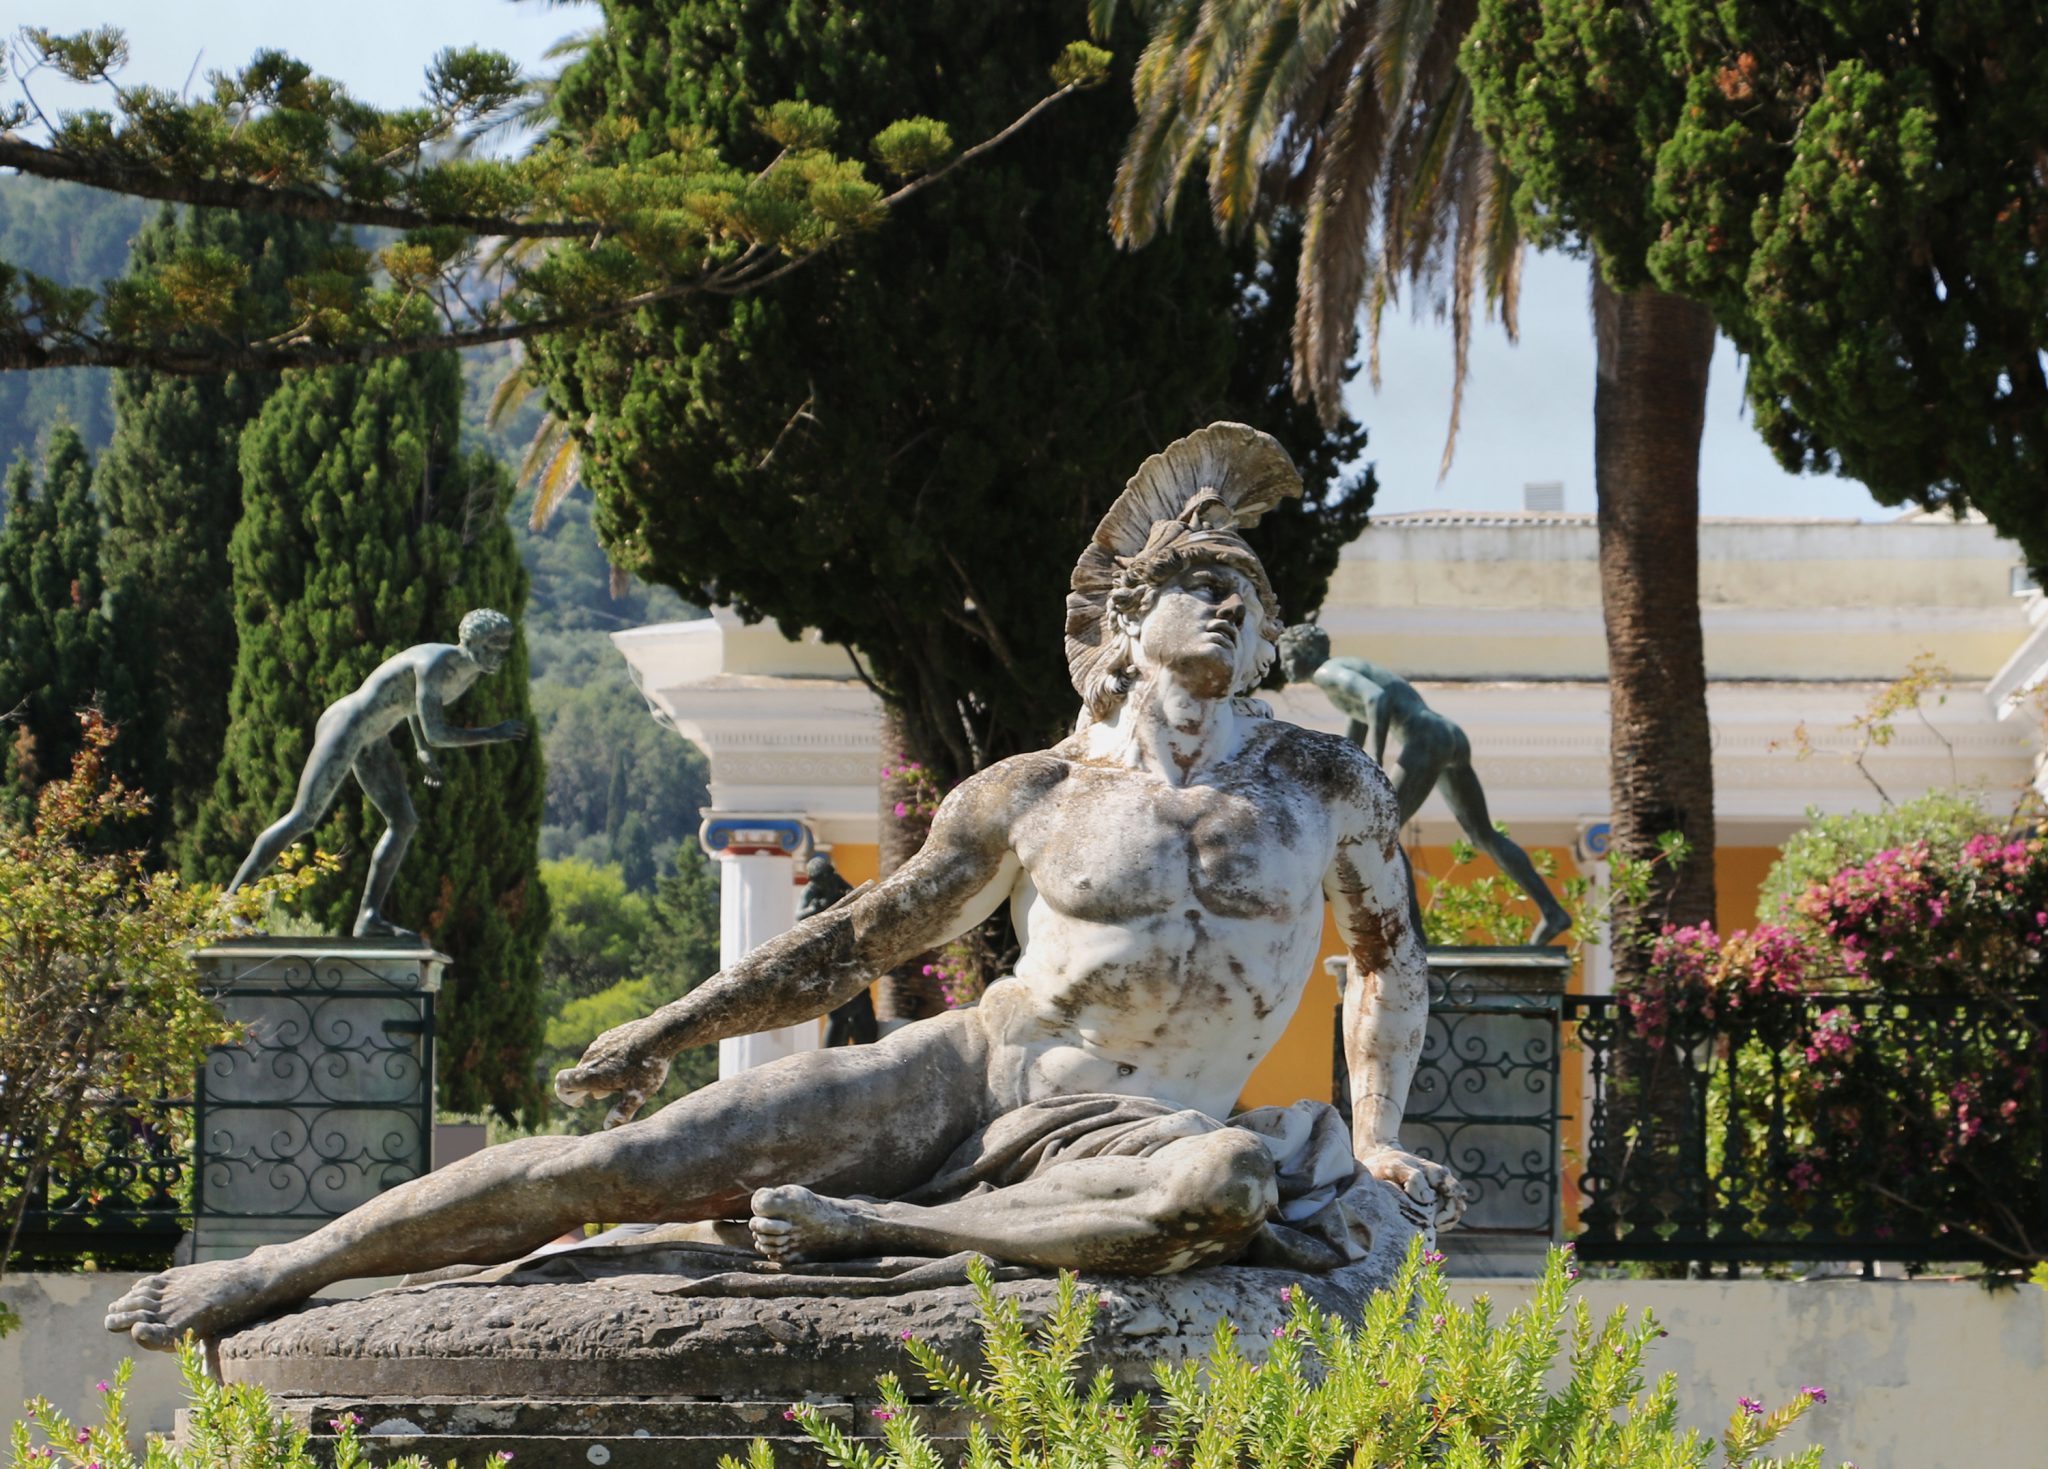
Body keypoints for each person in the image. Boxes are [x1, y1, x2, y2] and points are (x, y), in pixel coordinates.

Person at [107, 424, 1461, 1350]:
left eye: (1246, 591)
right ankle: (274, 1270)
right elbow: (858, 939)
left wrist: (1382, 1129)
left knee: (1226, 1181)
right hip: (975, 1074)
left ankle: (872, 1229)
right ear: (1126, 626)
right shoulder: (1035, 793)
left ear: (1279, 636)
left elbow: (1389, 959)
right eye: (1198, 582)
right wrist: (665, 1029)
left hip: (1148, 1132)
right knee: (624, 1164)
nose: (1228, 606)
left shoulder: (1323, 784)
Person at [220, 608, 527, 940]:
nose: (499, 655)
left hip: (374, 737)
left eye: (504, 647)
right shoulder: (435, 665)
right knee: (304, 816)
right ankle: (231, 907)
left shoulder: (468, 671)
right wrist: (493, 733)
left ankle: (369, 918)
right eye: (494, 646)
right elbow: (438, 731)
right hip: (347, 724)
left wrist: (422, 750)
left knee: (404, 822)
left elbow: (414, 705)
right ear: (472, 641)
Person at [1277, 624, 1572, 946]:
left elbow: (1377, 699)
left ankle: (1415, 941)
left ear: (1305, 652)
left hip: (1425, 739)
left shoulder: (1327, 672)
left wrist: (1374, 764)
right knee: (1482, 834)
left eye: (1288, 657)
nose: (1283, 666)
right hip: (1448, 736)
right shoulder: (1341, 673)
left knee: (1384, 828)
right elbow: (1358, 727)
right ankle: (1552, 911)